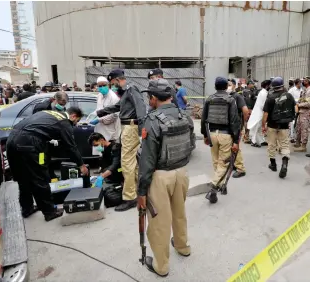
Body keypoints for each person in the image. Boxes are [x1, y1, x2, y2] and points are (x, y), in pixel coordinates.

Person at [137, 78, 193, 277]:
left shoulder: (151, 121)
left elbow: (147, 160)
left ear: (153, 98)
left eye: (149, 98)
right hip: (182, 173)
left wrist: (141, 191)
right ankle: (182, 246)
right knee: (179, 212)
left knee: (159, 223)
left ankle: (161, 266)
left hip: (160, 177)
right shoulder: (184, 115)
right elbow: (191, 145)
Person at [6, 107, 88, 221]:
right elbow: (71, 147)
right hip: (30, 144)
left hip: (11, 141)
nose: (75, 124)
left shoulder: (49, 113)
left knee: (22, 177)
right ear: (73, 116)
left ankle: (27, 208)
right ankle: (49, 212)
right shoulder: (64, 122)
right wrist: (81, 165)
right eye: (76, 121)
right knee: (40, 177)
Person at [96, 69, 147, 211]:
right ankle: (137, 191)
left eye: (113, 83)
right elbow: (119, 107)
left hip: (131, 128)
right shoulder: (126, 93)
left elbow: (141, 108)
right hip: (127, 128)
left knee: (126, 163)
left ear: (118, 80)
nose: (113, 86)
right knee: (133, 163)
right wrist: (102, 111)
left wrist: (141, 131)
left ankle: (130, 198)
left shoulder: (132, 90)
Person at [201, 77, 240, 204]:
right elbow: (234, 121)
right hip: (225, 135)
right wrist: (236, 140)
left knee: (216, 162)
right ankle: (214, 187)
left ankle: (221, 186)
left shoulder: (209, 99)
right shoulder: (230, 100)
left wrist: (205, 135)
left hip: (212, 134)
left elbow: (203, 119)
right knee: (223, 163)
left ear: (215, 86)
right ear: (226, 87)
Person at [262, 77, 296, 178]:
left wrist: (263, 125)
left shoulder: (270, 97)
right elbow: (296, 108)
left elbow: (265, 114)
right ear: (282, 85)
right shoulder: (289, 96)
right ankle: (284, 164)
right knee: (285, 145)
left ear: (273, 86)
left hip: (272, 125)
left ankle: (273, 165)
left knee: (271, 145)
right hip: (284, 125)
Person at [89, 76, 121, 141]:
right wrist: (92, 115)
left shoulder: (113, 97)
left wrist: (100, 120)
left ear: (108, 85)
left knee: (106, 148)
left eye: (104, 85)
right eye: (100, 86)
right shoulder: (99, 96)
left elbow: (115, 115)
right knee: (98, 147)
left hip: (109, 131)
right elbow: (99, 109)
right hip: (99, 130)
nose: (102, 87)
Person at [228, 78, 247, 178]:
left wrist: (243, 124)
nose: (227, 86)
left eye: (229, 85)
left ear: (234, 86)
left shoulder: (237, 96)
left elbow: (245, 110)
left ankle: (241, 168)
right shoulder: (226, 96)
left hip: (236, 125)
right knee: (231, 145)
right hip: (228, 126)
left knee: (236, 146)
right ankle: (234, 164)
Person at [294, 76, 310, 152]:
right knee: (299, 128)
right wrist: (298, 103)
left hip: (306, 112)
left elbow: (308, 103)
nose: (302, 82)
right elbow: (302, 99)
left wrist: (298, 105)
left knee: (304, 129)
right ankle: (298, 143)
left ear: (308, 81)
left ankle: (303, 146)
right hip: (301, 112)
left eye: (304, 81)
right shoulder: (305, 90)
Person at [247, 80, 270, 147]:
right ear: (267, 86)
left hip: (260, 112)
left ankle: (261, 140)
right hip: (259, 113)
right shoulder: (263, 93)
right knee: (256, 128)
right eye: (270, 85)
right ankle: (254, 142)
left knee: (259, 128)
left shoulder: (263, 92)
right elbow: (262, 105)